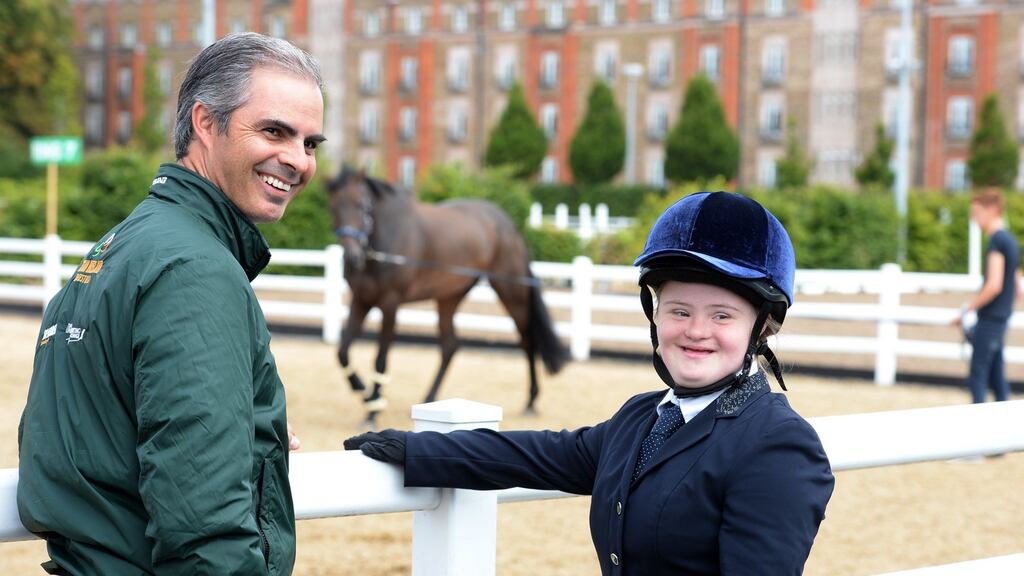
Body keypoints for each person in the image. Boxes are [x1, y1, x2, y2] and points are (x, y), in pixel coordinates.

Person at [346, 191, 835, 574]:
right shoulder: (643, 419)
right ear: (656, 315)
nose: (695, 331)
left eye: (722, 315)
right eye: (679, 310)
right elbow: (537, 455)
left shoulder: (778, 445)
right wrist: (413, 451)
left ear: (761, 327)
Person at [17, 32, 324, 575]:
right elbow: (205, 529)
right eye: (274, 130)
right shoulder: (193, 268)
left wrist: (250, 430)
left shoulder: (121, 245)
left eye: (310, 142)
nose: (297, 159)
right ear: (206, 123)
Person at [952, 187, 1021, 404]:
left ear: (992, 210)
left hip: (991, 318)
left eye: (977, 211)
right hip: (1001, 316)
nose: (974, 217)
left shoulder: (997, 242)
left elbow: (993, 285)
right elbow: (1016, 284)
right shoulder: (1010, 240)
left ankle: (979, 430)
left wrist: (967, 309)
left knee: (978, 376)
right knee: (996, 377)